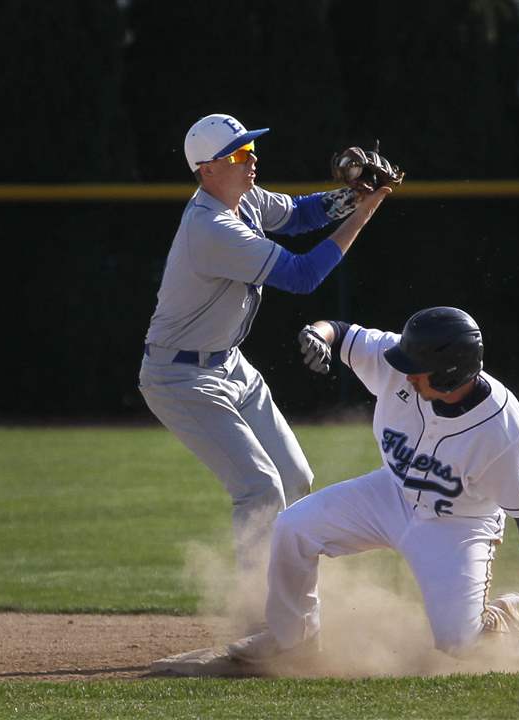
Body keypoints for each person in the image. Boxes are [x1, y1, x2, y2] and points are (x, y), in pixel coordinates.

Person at [139, 114, 394, 619]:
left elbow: (300, 215)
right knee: (259, 488)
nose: (251, 158)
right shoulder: (211, 227)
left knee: (295, 478)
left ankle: (287, 598)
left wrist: (354, 191)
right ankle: (262, 614)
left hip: (229, 365)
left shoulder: (244, 198)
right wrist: (364, 211)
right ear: (207, 170)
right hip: (180, 377)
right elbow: (301, 276)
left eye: (251, 148)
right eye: (238, 154)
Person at [226, 306, 519, 661]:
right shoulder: (402, 358)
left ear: (449, 374)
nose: (406, 375)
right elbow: (340, 330)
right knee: (293, 527)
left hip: (458, 524)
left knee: (460, 644)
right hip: (392, 493)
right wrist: (318, 335)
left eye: (418, 371)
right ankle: (294, 641)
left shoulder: (501, 428)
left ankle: (507, 618)